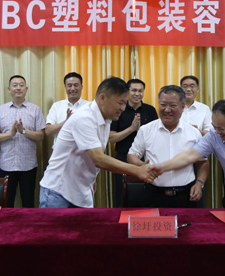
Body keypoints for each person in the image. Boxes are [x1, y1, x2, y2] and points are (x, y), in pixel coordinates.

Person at [39, 77, 160, 208]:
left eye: (125, 103)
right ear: (102, 98)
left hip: (82, 191)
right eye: (120, 103)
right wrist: (137, 170)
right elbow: (98, 159)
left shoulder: (106, 119)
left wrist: (92, 178)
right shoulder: (84, 118)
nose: (123, 108)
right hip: (58, 191)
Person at [127, 85, 209, 208]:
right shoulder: (146, 130)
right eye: (163, 105)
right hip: (153, 195)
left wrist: (199, 183)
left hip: (186, 196)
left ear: (182, 107)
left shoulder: (193, 133)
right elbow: (132, 155)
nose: (167, 110)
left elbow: (203, 163)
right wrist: (142, 165)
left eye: (172, 106)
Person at [0, 75, 46, 208]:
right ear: (9, 89)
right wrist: (10, 134)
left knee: (28, 202)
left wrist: (23, 131)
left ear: (26, 89)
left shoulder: (35, 109)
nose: (18, 88)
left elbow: (41, 136)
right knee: (6, 203)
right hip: (6, 165)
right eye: (15, 85)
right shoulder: (1, 110)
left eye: (21, 85)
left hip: (28, 165)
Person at [108, 78, 158, 206]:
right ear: (127, 92)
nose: (137, 94)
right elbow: (111, 139)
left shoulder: (150, 110)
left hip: (146, 160)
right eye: (134, 90)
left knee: (147, 196)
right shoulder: (119, 109)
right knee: (122, 196)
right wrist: (131, 129)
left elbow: (158, 135)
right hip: (123, 160)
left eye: (140, 91)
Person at [45, 72, 89, 137]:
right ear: (65, 87)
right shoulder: (56, 106)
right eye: (69, 85)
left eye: (76, 85)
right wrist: (66, 122)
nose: (73, 88)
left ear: (81, 87)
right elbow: (48, 131)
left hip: (84, 143)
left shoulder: (90, 106)